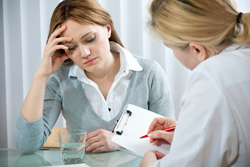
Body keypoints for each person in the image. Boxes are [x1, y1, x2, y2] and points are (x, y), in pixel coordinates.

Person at [14, 0, 174, 154]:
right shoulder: (60, 79)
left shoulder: (149, 72)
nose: (84, 53)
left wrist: (119, 141)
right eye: (72, 47)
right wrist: (42, 75)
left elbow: (166, 142)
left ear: (108, 29)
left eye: (90, 39)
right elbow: (27, 145)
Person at [139, 0, 250, 166]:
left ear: (197, 50)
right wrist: (188, 135)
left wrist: (148, 163)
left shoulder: (211, 76)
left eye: (171, 48)